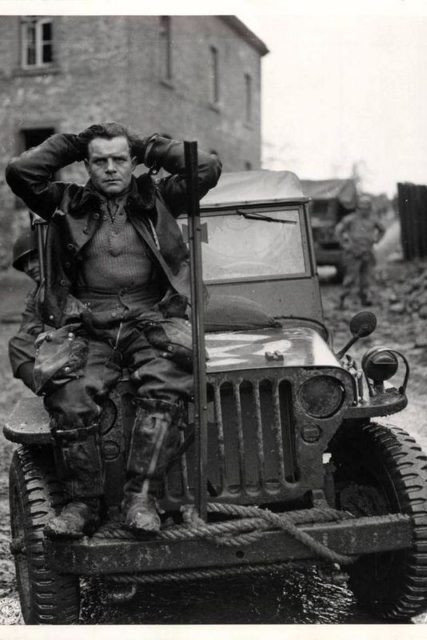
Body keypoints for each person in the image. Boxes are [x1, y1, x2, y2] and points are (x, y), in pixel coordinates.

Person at [5, 123, 222, 539]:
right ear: (86, 164)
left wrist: (147, 146)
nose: (109, 169)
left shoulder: (158, 196)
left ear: (132, 161)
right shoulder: (65, 202)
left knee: (170, 380)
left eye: (119, 159)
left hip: (151, 318)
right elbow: (21, 171)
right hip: (88, 322)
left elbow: (206, 167)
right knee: (69, 393)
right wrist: (74, 142)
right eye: (99, 160)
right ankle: (82, 504)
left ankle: (141, 497)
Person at [335, 193, 385, 308]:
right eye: (362, 208)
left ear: (370, 208)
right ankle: (341, 300)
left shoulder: (373, 219)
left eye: (367, 208)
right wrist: (344, 244)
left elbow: (382, 230)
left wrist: (377, 240)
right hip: (353, 253)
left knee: (365, 279)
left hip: (367, 252)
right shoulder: (350, 219)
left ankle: (364, 299)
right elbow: (338, 230)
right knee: (350, 278)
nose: (364, 211)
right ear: (358, 208)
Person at [8, 228, 43, 393]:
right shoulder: (35, 294)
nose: (29, 267)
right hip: (49, 345)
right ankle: (52, 394)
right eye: (25, 264)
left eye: (34, 259)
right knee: (17, 345)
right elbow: (26, 331)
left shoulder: (67, 282)